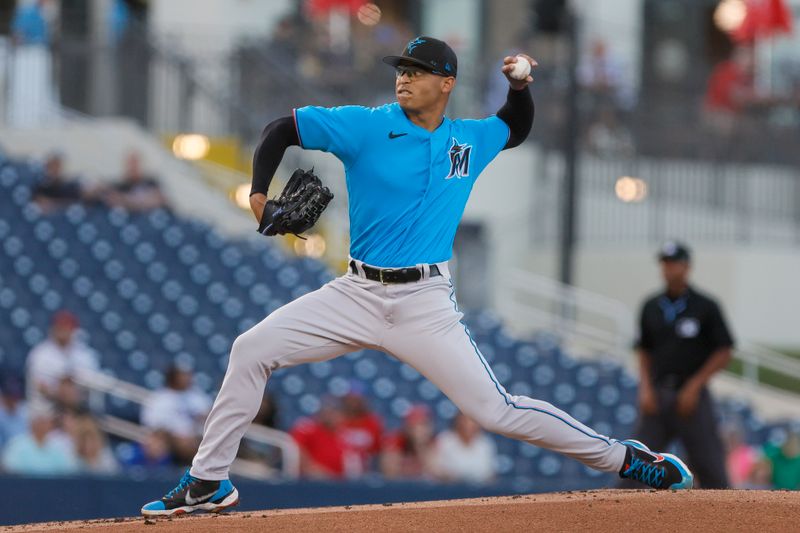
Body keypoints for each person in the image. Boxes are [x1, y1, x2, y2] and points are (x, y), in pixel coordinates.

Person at [142, 36, 692, 517]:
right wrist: (260, 194)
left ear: (446, 83)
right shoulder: (366, 125)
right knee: (251, 348)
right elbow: (279, 129)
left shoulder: (466, 140)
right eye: (400, 69)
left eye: (416, 70)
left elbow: (513, 130)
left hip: (425, 302)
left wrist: (520, 89)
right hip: (355, 291)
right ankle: (208, 482)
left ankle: (626, 458)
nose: (403, 77)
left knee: (494, 410)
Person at [631, 241, 734, 489]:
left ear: (687, 267)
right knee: (635, 467)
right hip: (658, 394)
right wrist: (644, 388)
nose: (669, 269)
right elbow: (644, 350)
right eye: (665, 264)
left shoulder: (705, 306)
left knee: (712, 472)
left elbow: (724, 350)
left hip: (693, 398)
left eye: (674, 263)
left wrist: (695, 386)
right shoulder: (651, 306)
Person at [26, 311, 99, 411]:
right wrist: (62, 392)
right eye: (60, 327)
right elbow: (40, 386)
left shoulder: (85, 354)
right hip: (46, 409)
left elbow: (92, 383)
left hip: (78, 409)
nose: (63, 331)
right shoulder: (40, 353)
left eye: (67, 328)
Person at [140, 366, 211, 464]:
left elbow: (209, 419)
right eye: (182, 375)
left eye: (187, 375)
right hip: (170, 439)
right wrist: (177, 437)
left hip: (197, 439)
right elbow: (154, 426)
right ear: (173, 377)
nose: (186, 378)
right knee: (155, 445)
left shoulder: (197, 396)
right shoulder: (159, 398)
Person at [289, 398, 358, 479]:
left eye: (335, 412)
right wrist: (316, 471)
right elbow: (296, 451)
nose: (331, 416)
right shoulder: (308, 428)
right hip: (310, 481)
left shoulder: (344, 434)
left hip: (340, 483)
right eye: (328, 412)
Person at [1, 405, 78, 475]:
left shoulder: (59, 446)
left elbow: (68, 470)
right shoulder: (17, 444)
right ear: (32, 423)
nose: (43, 425)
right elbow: (11, 470)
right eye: (40, 421)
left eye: (46, 421)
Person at [432, 412, 496, 484]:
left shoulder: (485, 443)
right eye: (465, 421)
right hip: (449, 488)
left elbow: (489, 474)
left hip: (479, 490)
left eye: (472, 421)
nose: (468, 425)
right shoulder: (445, 439)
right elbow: (436, 470)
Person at [381, 404, 436, 479]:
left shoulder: (435, 442)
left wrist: (420, 445)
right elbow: (389, 472)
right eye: (415, 425)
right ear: (407, 426)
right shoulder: (397, 439)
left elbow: (433, 472)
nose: (419, 429)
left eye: (423, 424)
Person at [339, 382, 384, 473]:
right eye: (351, 398)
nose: (354, 402)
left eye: (357, 399)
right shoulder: (337, 421)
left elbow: (378, 450)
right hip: (338, 470)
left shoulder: (372, 422)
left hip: (366, 469)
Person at [0, 377, 28, 449]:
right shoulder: (1, 417)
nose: (14, 400)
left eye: (16, 396)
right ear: (4, 398)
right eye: (11, 397)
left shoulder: (24, 411)